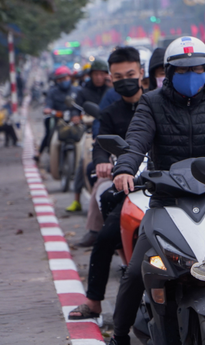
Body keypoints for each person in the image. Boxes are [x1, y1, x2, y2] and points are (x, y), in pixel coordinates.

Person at [108, 36, 205, 345]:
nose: (190, 76)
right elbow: (136, 139)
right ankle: (118, 336)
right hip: (166, 200)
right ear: (168, 73)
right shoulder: (151, 102)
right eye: (182, 71)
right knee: (134, 274)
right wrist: (125, 169)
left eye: (197, 69)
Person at [68, 47, 145, 320]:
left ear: (142, 73)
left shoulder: (157, 104)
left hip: (168, 186)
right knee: (104, 239)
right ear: (111, 78)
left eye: (130, 74)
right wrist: (103, 162)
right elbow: (100, 146)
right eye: (118, 76)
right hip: (131, 187)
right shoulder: (110, 114)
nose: (125, 79)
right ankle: (94, 302)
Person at [66, 59, 111, 213]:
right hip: (89, 130)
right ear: (91, 75)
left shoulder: (111, 90)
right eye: (96, 74)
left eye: (102, 74)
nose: (99, 77)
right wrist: (75, 116)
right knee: (82, 162)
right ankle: (77, 199)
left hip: (111, 131)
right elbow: (75, 107)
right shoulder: (83, 91)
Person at [34, 66, 80, 161]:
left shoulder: (77, 90)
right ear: (57, 80)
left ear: (70, 77)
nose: (64, 80)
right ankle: (42, 153)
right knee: (50, 133)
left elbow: (82, 104)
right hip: (58, 120)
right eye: (61, 79)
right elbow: (48, 106)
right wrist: (49, 110)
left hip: (75, 120)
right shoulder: (52, 92)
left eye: (66, 78)